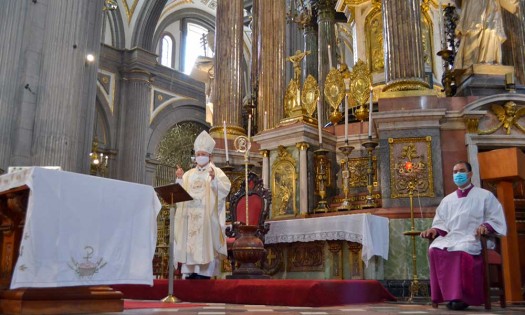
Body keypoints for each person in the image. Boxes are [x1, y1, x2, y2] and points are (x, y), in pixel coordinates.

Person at [420, 161, 507, 310]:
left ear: (470, 174)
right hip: (453, 236)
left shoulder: (485, 196)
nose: (458, 174)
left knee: (461, 250)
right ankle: (447, 296)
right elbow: (441, 221)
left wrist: (485, 226)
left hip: (475, 237)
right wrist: (434, 230)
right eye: (455, 172)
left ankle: (464, 297)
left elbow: (495, 218)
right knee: (434, 248)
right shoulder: (447, 200)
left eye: (461, 171)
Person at [173, 130, 231, 279]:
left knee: (204, 244)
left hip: (206, 218)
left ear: (210, 156)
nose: (200, 157)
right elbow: (180, 195)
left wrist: (214, 182)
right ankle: (189, 272)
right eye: (198, 154)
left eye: (203, 154)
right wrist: (179, 179)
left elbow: (224, 189)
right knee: (190, 244)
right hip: (189, 218)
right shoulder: (188, 174)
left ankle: (204, 273)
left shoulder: (216, 172)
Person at [454, 0, 519, 69]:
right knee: (472, 35)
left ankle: (489, 61)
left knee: (491, 32)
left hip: (491, 8)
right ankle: (470, 67)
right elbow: (458, 3)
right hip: (474, 10)